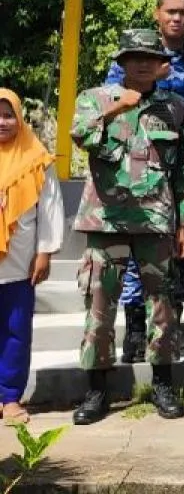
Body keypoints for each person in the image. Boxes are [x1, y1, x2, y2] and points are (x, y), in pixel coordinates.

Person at [70, 29, 184, 425]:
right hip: (106, 220)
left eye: (150, 57)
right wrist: (116, 108)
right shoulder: (95, 98)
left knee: (162, 306)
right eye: (134, 57)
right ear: (123, 62)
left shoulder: (175, 107)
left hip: (157, 221)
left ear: (161, 64)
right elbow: (81, 135)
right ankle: (96, 391)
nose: (142, 63)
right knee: (99, 305)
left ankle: (163, 385)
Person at [104, 0, 184, 365]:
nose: (176, 18)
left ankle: (170, 328)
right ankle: (135, 333)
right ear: (157, 13)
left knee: (182, 250)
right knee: (138, 255)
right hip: (137, 169)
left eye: (183, 12)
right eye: (170, 11)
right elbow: (113, 102)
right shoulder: (133, 53)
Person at [0, 90, 63, 424]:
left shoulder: (36, 158)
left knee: (16, 332)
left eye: (8, 115)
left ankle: (10, 397)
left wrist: (45, 252)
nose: (2, 122)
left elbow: (50, 208)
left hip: (20, 263)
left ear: (20, 118)